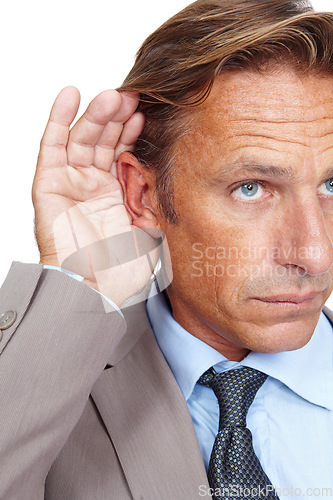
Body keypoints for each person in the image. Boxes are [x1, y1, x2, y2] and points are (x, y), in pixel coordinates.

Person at [1, 0, 333, 498]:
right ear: (143, 195)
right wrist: (80, 287)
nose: (315, 254)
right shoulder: (48, 387)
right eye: (251, 187)